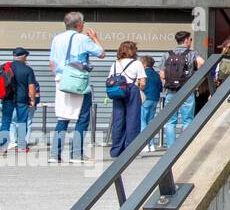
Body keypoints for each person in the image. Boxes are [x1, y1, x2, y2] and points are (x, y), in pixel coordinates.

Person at [49, 12, 103, 163]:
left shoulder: (56, 39)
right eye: (83, 23)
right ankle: (76, 154)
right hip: (79, 81)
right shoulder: (83, 39)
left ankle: (55, 154)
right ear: (79, 24)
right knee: (83, 117)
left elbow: (51, 63)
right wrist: (95, 38)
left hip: (61, 80)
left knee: (63, 116)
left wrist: (61, 76)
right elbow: (101, 53)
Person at [162, 30, 206, 147]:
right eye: (190, 40)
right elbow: (202, 63)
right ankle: (184, 147)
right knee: (187, 120)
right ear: (186, 40)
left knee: (170, 121)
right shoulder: (192, 53)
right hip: (187, 90)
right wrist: (196, 78)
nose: (190, 42)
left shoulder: (168, 54)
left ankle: (171, 148)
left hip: (171, 91)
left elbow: (161, 74)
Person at [106, 40, 146, 158]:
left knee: (118, 120)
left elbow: (110, 79)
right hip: (132, 91)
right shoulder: (136, 63)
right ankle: (131, 150)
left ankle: (116, 150)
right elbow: (142, 82)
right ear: (133, 51)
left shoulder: (115, 63)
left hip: (117, 91)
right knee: (133, 120)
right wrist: (140, 88)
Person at [1, 47, 38, 153]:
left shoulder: (5, 67)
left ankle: (3, 146)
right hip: (22, 100)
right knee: (22, 122)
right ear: (23, 57)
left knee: (5, 121)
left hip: (7, 98)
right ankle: (22, 147)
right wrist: (32, 100)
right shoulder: (28, 69)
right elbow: (31, 87)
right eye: (26, 56)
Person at [139, 55, 164, 150]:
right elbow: (161, 88)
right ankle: (152, 145)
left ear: (144, 64)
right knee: (150, 122)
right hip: (155, 99)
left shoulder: (143, 73)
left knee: (143, 121)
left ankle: (145, 145)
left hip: (145, 99)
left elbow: (141, 86)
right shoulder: (156, 74)